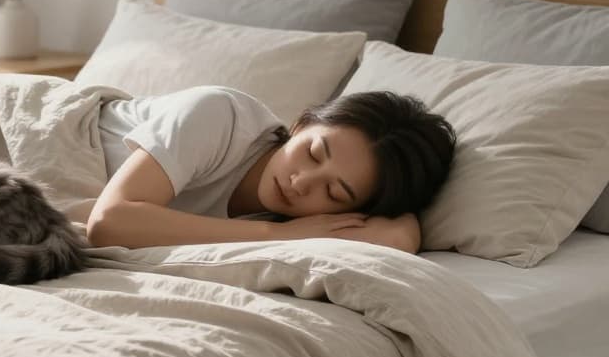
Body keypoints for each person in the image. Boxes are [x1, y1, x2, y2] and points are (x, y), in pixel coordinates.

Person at [85, 86, 456, 253]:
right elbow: (109, 224)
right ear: (300, 125)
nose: (300, 182)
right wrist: (278, 235)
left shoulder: (304, 222)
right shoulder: (219, 116)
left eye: (335, 193)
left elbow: (397, 237)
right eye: (312, 152)